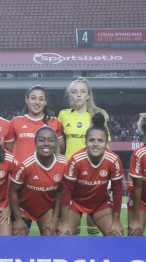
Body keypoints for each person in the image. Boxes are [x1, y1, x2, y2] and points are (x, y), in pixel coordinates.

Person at [58, 77, 110, 236]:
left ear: (88, 95)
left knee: (93, 220)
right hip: (69, 172)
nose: (78, 95)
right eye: (74, 92)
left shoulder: (98, 116)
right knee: (71, 222)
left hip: (93, 172)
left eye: (82, 92)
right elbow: (61, 145)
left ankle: (92, 254)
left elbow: (105, 147)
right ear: (70, 96)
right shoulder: (63, 115)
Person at [57, 113, 123, 236]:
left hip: (100, 203)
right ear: (86, 142)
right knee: (63, 234)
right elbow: (66, 191)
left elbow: (117, 190)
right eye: (91, 140)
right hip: (76, 202)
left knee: (116, 233)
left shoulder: (114, 160)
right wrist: (64, 222)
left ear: (106, 142)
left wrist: (116, 221)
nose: (96, 144)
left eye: (100, 141)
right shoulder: (76, 160)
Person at [9, 127, 67, 236]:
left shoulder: (63, 163)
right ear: (35, 143)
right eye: (41, 140)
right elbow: (12, 191)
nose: (46, 143)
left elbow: (61, 192)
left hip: (46, 208)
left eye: (50, 140)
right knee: (18, 233)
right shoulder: (25, 165)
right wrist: (18, 219)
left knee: (51, 233)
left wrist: (54, 219)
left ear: (55, 143)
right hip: (24, 208)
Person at [5, 85, 65, 162]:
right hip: (21, 170)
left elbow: (63, 147)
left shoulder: (55, 122)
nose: (37, 102)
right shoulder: (16, 121)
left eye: (41, 99)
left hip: (45, 169)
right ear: (27, 100)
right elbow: (9, 146)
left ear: (45, 102)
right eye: (33, 98)